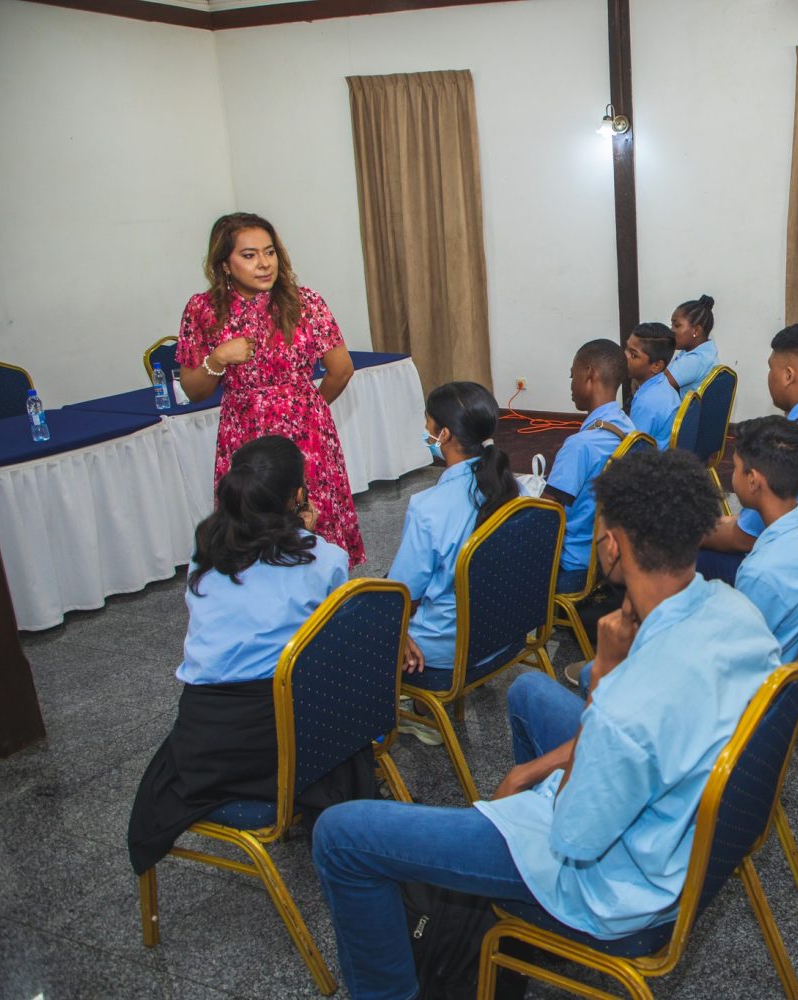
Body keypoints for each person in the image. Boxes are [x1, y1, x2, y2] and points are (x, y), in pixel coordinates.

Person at [311, 449, 782, 999]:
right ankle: (505, 921)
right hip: (684, 818)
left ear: (612, 544)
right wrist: (546, 762)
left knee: (341, 836)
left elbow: (574, 837)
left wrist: (605, 675)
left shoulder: (625, 704)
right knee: (530, 690)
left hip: (613, 887)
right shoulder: (733, 608)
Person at [128, 435, 362, 873]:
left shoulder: (205, 554)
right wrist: (308, 535)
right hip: (293, 742)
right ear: (298, 496)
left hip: (207, 746)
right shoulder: (325, 558)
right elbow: (337, 649)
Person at [176, 212, 364, 566]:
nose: (264, 264)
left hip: (306, 434)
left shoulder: (304, 301)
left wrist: (307, 409)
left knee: (313, 523)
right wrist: (218, 358)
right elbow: (194, 390)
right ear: (225, 265)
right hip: (244, 433)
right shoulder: (203, 310)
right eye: (249, 256)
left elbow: (342, 369)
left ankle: (326, 607)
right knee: (252, 525)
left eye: (269, 252)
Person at [386, 383, 519, 743]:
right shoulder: (511, 489)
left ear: (443, 434)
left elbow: (403, 595)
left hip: (445, 650)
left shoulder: (429, 507)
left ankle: (413, 712)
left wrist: (396, 633)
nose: (426, 431)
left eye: (428, 423)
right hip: (503, 632)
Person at [697, 324, 798, 582]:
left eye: (771, 368)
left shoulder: (794, 441)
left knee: (679, 559)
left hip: (797, 574)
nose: (768, 376)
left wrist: (685, 533)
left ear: (788, 375)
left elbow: (745, 538)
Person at [730, 416, 798, 662]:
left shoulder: (759, 573)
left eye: (735, 467)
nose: (733, 476)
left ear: (753, 480)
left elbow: (737, 657)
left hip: (767, 684)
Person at [543, 339, 637, 593]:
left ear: (589, 373)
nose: (570, 385)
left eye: (572, 375)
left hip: (575, 569)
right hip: (612, 556)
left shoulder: (579, 445)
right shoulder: (629, 428)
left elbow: (543, 515)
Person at [625, 322, 681, 449]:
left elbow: (633, 450)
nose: (625, 356)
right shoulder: (662, 385)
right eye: (626, 348)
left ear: (656, 366)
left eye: (633, 355)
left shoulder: (647, 402)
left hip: (652, 464)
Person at [664, 294, 719, 394]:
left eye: (677, 325)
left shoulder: (694, 360)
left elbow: (657, 389)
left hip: (683, 410)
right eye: (671, 325)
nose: (671, 330)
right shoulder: (704, 353)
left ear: (696, 331)